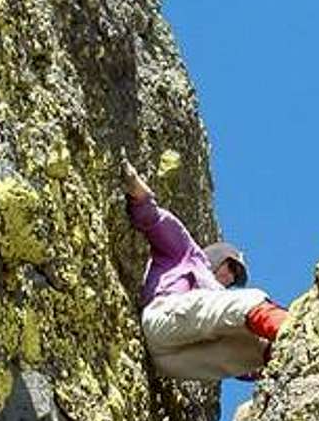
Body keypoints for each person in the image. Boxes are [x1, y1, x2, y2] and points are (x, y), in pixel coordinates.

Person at [123, 159, 287, 381]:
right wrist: (138, 191)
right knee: (250, 300)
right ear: (217, 256)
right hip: (162, 321)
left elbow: (233, 358)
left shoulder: (216, 301)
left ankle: (289, 352)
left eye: (235, 278)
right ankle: (291, 328)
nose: (230, 278)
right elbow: (155, 222)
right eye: (230, 267)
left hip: (174, 362)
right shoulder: (188, 255)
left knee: (255, 345)